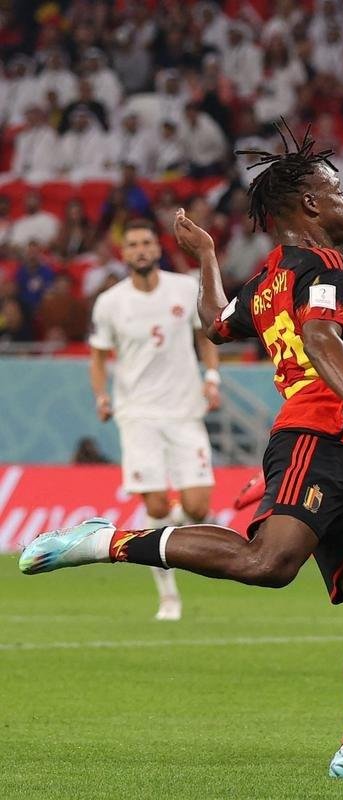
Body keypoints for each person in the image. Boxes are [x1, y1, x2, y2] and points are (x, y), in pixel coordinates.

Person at [20, 126, 343, 781]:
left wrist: (206, 257)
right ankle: (108, 543)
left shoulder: (271, 277)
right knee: (268, 563)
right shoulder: (326, 267)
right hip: (318, 436)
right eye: (336, 193)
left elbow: (216, 323)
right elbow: (323, 337)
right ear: (307, 208)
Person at [87, 219, 221, 621]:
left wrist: (211, 378)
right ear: (123, 253)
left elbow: (206, 336)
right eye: (133, 245)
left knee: (198, 507)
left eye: (147, 242)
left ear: (157, 249)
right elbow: (97, 357)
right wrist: (102, 396)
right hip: (138, 413)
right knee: (157, 502)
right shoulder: (111, 302)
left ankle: (163, 532)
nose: (141, 249)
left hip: (184, 409)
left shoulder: (183, 288)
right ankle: (168, 597)